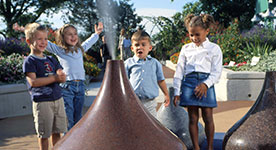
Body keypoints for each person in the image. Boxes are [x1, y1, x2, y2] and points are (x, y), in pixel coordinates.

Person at [173, 14, 222, 150]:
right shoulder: (186, 49)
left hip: (207, 83)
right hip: (189, 83)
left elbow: (217, 72)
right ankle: (196, 147)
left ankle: (210, 147)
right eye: (191, 35)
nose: (194, 38)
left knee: (208, 117)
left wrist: (205, 84)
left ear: (207, 31)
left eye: (197, 35)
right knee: (193, 118)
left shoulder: (214, 49)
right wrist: (177, 91)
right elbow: (179, 71)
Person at [46, 23, 103, 130]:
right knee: (68, 118)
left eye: (75, 34)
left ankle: (77, 141)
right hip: (67, 87)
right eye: (69, 34)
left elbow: (89, 42)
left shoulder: (80, 50)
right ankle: (68, 142)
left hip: (80, 86)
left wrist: (97, 34)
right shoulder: (59, 50)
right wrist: (31, 32)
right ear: (62, 38)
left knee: (79, 117)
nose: (73, 36)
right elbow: (46, 43)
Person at [22, 23, 67, 150]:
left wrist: (61, 75)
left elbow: (59, 72)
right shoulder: (30, 61)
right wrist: (54, 78)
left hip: (58, 99)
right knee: (44, 134)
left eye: (46, 39)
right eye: (39, 39)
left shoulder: (51, 59)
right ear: (29, 41)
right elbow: (33, 82)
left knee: (58, 131)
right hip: (42, 102)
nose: (43, 42)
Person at [124, 30, 170, 117]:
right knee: (134, 124)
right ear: (132, 48)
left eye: (143, 44)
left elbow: (160, 80)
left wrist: (166, 94)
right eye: (137, 45)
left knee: (151, 125)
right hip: (133, 102)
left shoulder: (155, 63)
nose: (139, 47)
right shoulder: (128, 63)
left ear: (150, 48)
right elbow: (123, 82)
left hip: (150, 102)